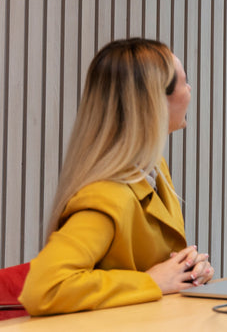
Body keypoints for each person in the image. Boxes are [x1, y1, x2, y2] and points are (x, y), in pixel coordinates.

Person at [20, 39, 215, 315]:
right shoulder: (107, 196)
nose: (190, 90)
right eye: (185, 82)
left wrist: (186, 271)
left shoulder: (153, 168)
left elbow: (157, 266)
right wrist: (151, 282)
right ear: (154, 102)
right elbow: (44, 287)